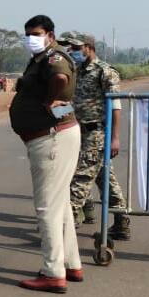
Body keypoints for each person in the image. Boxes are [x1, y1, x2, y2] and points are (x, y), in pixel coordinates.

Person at [9, 15, 82, 293]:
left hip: (51, 137)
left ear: (50, 34)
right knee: (60, 204)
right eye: (27, 34)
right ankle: (71, 264)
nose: (31, 38)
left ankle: (53, 272)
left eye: (36, 33)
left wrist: (48, 101)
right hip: (55, 133)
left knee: (47, 207)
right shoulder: (42, 57)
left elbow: (61, 78)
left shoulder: (53, 56)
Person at [63, 34, 131, 240]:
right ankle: (121, 223)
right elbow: (75, 104)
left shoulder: (105, 72)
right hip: (79, 131)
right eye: (70, 47)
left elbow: (115, 105)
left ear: (89, 47)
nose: (71, 51)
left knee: (80, 178)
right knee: (105, 179)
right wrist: (54, 113)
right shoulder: (77, 71)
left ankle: (67, 223)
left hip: (97, 133)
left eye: (75, 47)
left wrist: (115, 137)